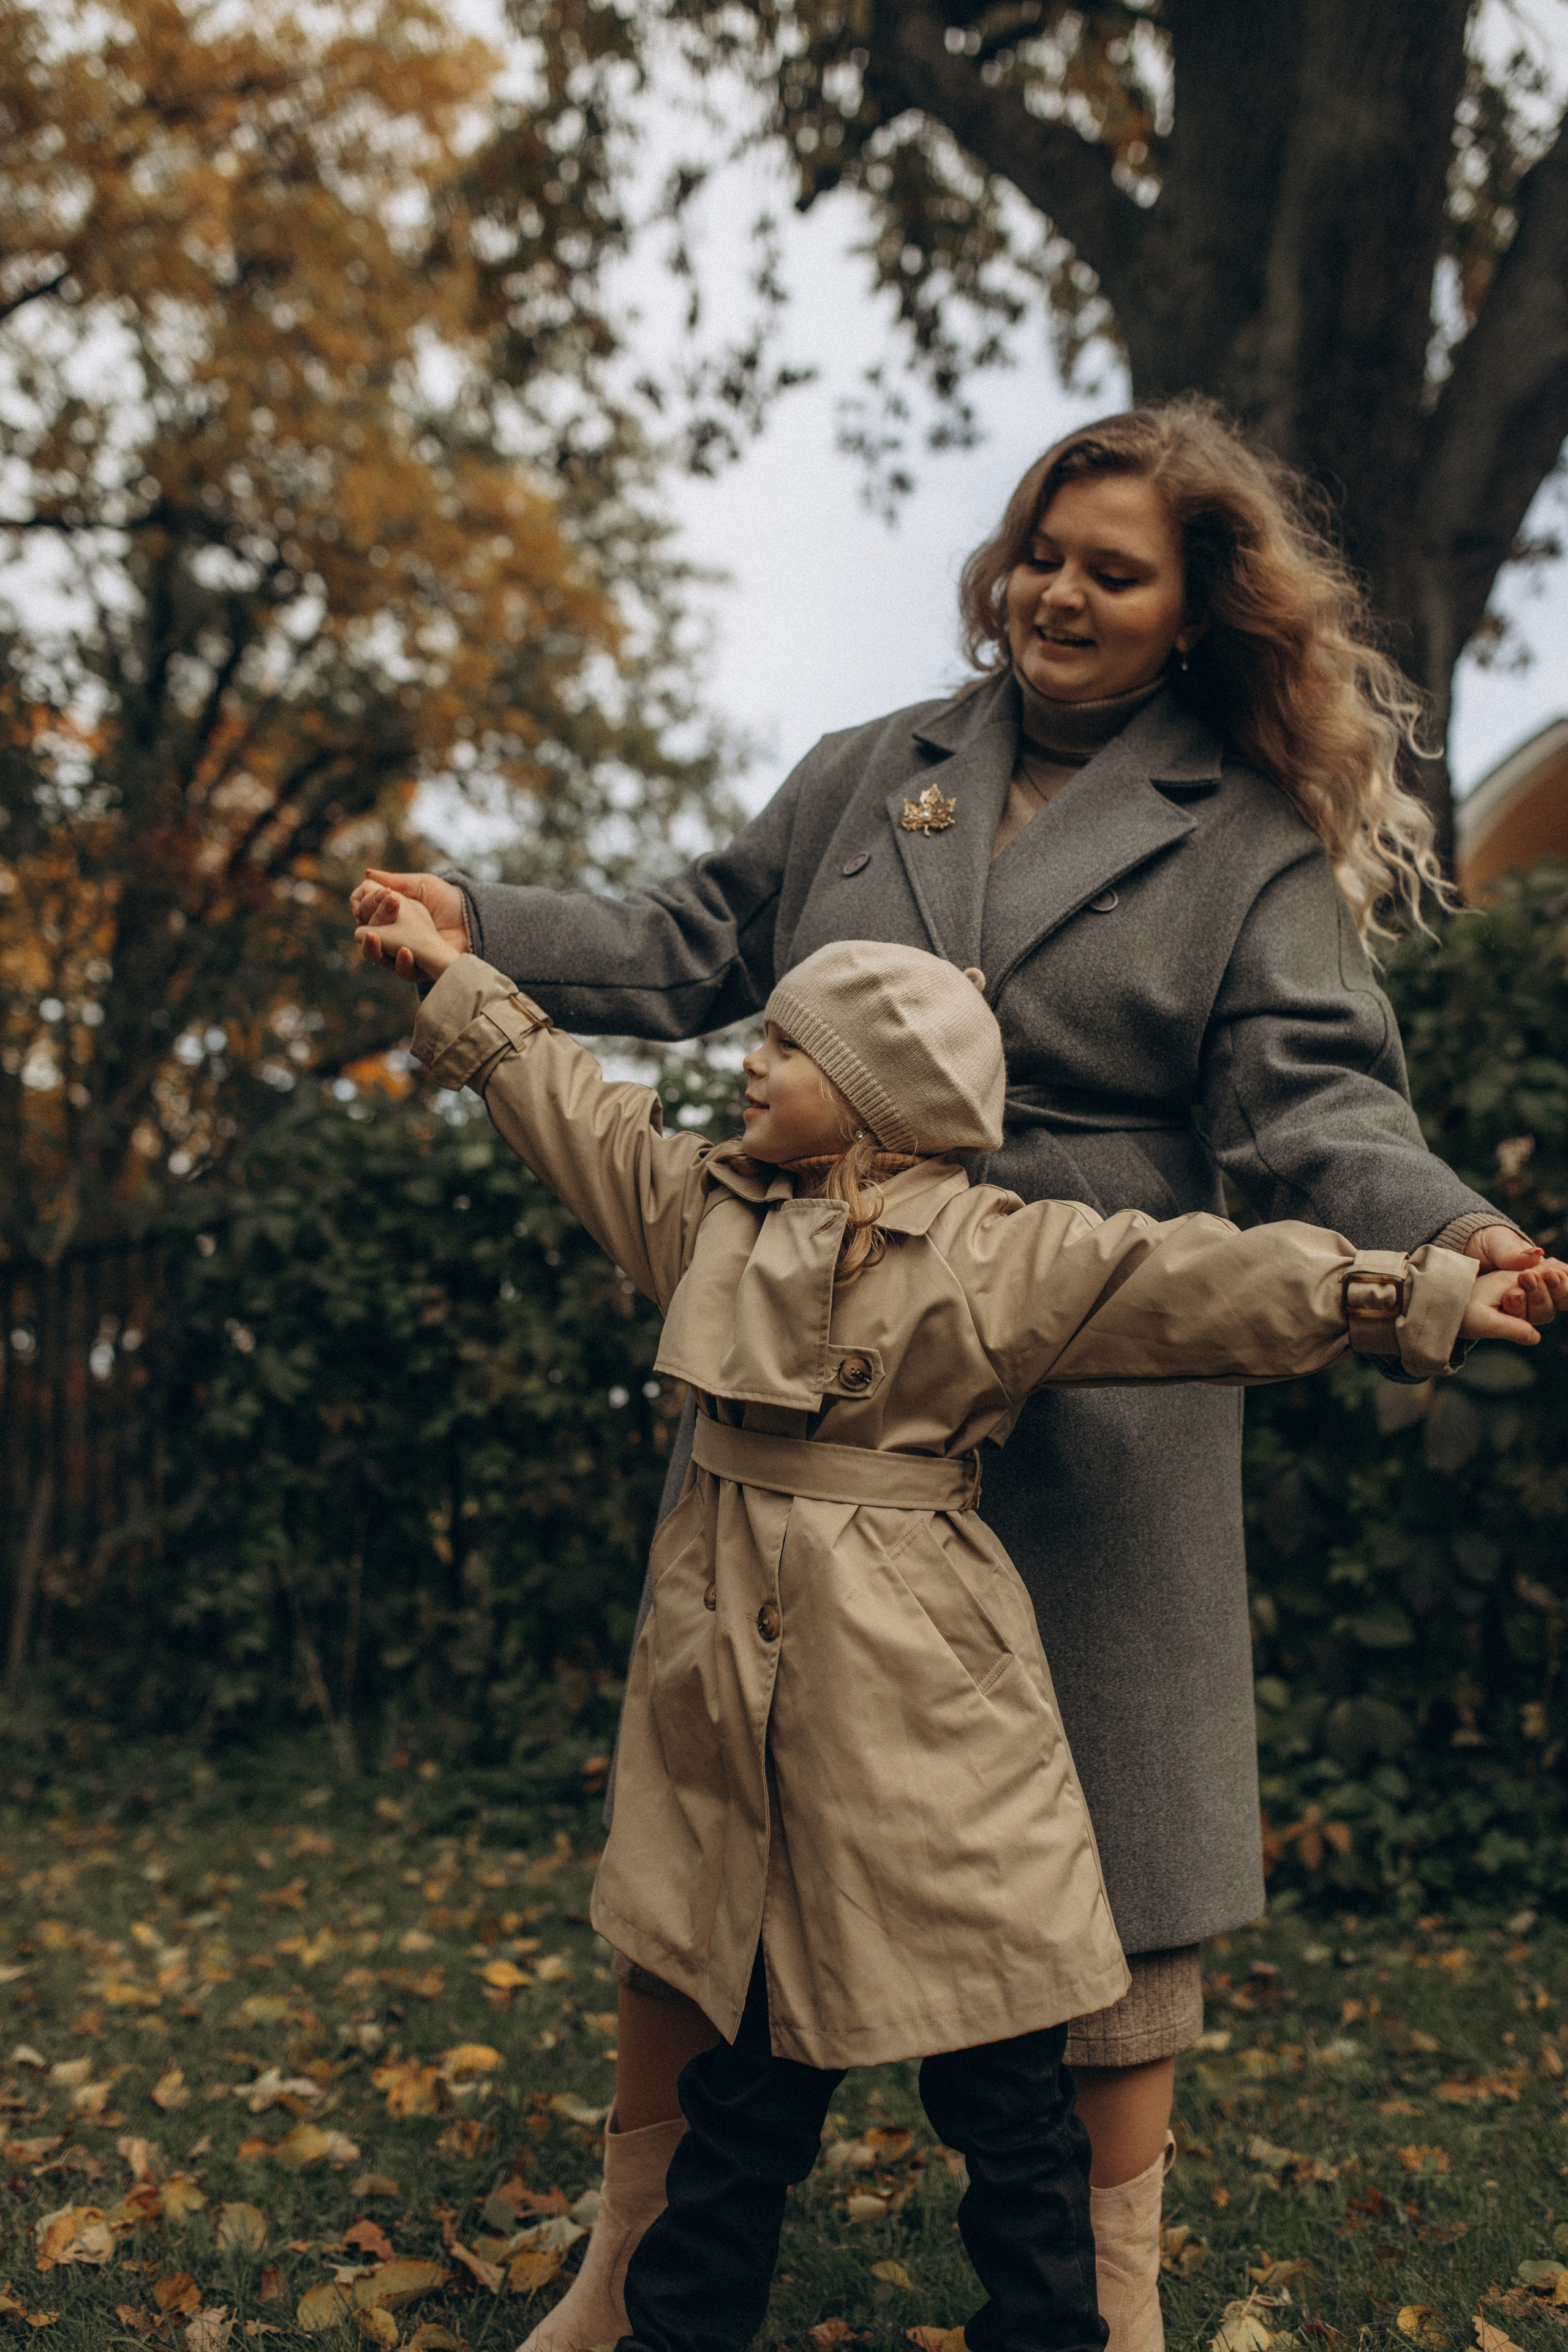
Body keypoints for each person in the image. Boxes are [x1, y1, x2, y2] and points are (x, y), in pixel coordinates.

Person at [352, 397, 1551, 2352]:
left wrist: (1453, 1237)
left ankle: (1111, 2300)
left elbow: (1318, 1107)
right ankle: (635, 2264)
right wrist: (486, 926)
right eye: (1041, 554)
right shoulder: (870, 772)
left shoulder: (1243, 839)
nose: (1059, 593)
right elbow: (687, 942)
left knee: (1119, 1843)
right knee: (721, 1806)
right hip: (815, 1374)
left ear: (1194, 615)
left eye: (1114, 570)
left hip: (1103, 1347)